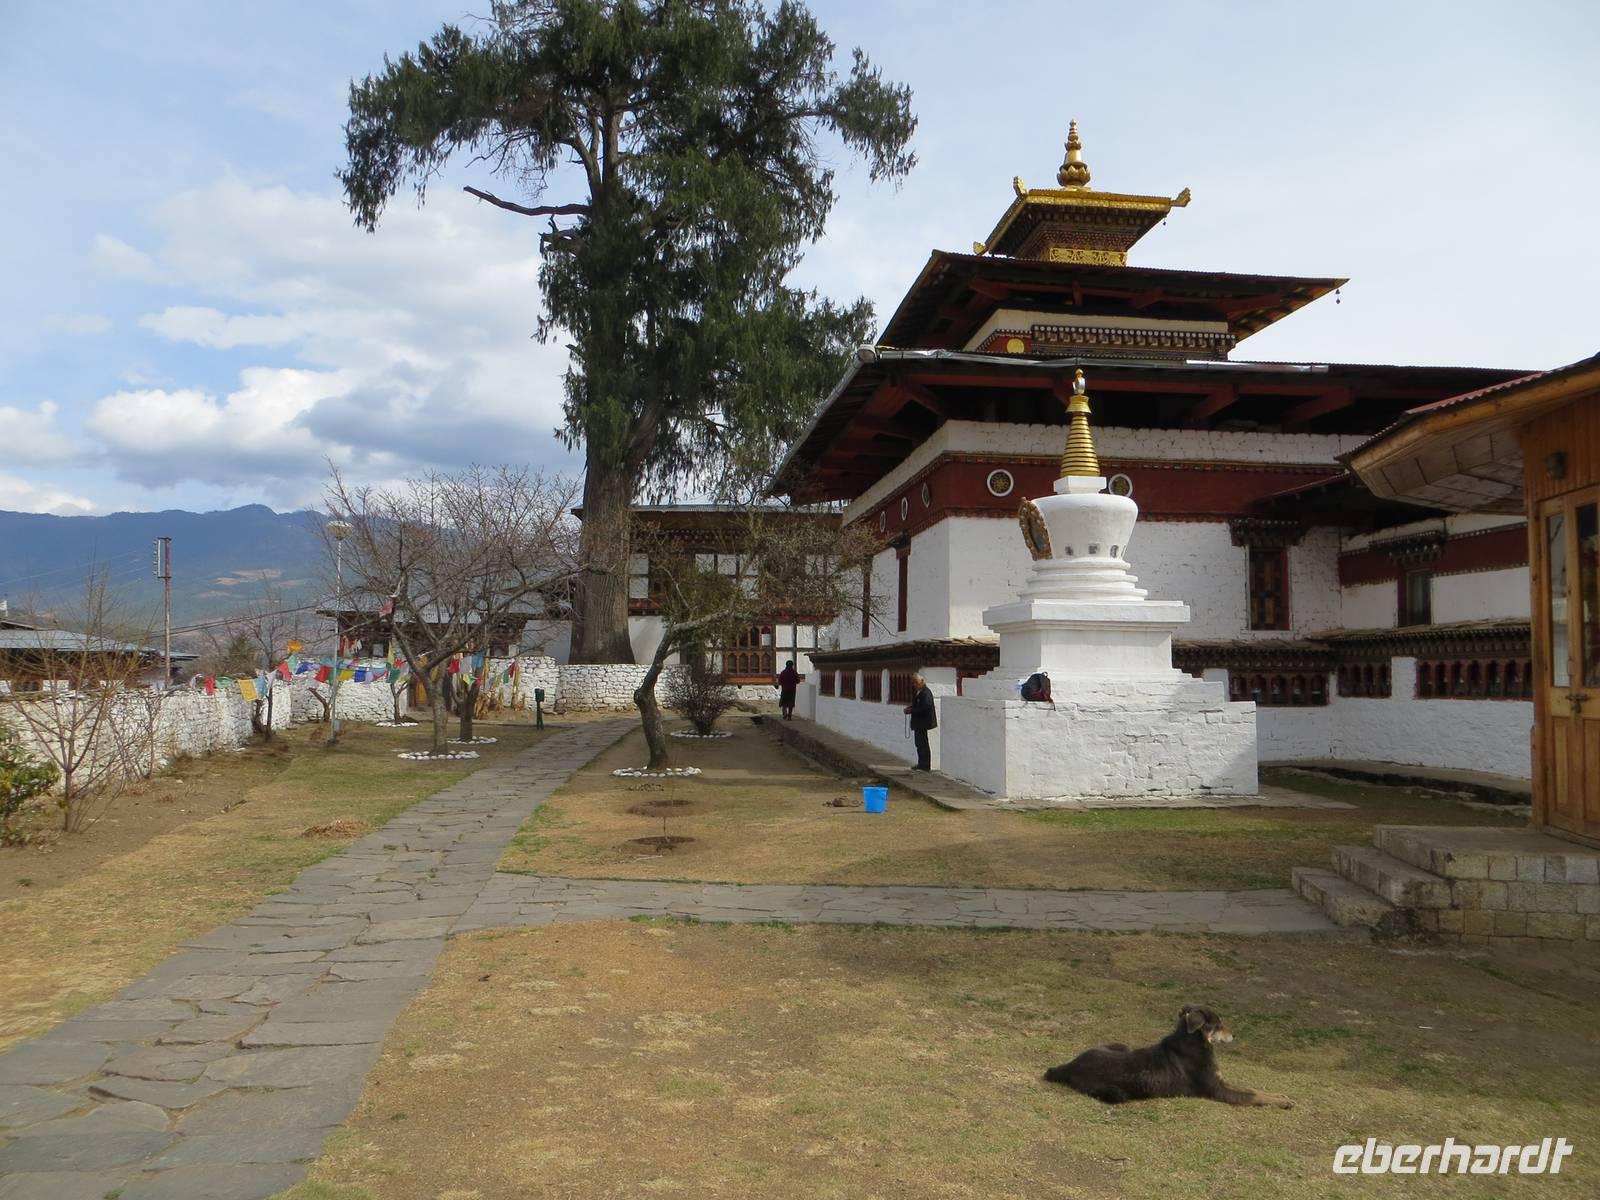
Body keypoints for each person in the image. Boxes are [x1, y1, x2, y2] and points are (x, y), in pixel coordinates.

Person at [903, 670, 937, 770]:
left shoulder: (925, 693)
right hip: (919, 723)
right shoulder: (919, 692)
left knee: (923, 744)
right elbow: (917, 705)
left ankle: (925, 765)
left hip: (923, 722)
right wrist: (910, 708)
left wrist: (912, 711)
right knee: (919, 743)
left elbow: (925, 707)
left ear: (921, 682)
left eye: (916, 683)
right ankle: (921, 763)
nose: (915, 685)